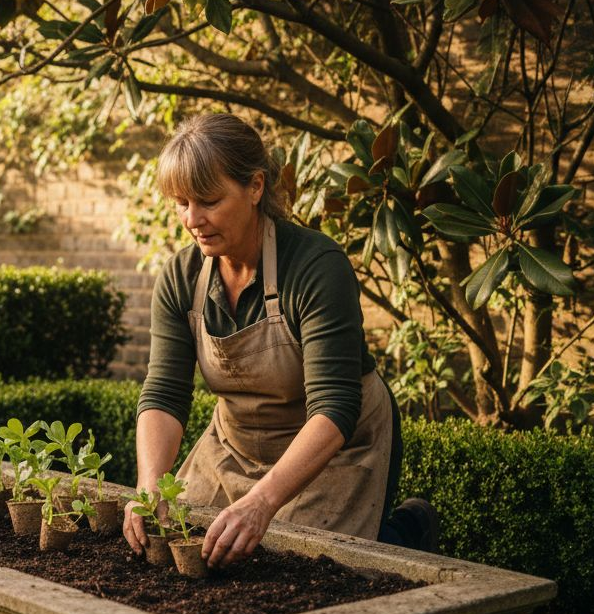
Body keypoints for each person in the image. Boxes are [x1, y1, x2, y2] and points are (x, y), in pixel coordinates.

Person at [122, 112, 438, 568]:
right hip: (237, 445)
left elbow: (334, 408)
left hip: (334, 447)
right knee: (185, 548)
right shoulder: (181, 277)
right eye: (181, 202)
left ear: (255, 187)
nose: (192, 219)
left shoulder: (316, 265)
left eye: (208, 200)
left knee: (301, 566)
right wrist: (149, 486)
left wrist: (261, 503)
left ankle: (406, 531)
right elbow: (165, 394)